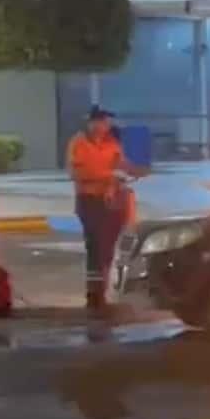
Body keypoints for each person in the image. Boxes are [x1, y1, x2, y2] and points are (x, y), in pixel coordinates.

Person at [67, 106, 145, 311]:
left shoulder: (112, 142)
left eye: (107, 123)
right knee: (96, 248)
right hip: (89, 200)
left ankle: (101, 292)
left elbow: (120, 162)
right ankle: (94, 295)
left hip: (111, 201)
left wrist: (133, 170)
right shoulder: (79, 143)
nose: (105, 126)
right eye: (102, 122)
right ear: (91, 123)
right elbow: (77, 173)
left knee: (108, 249)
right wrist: (109, 175)